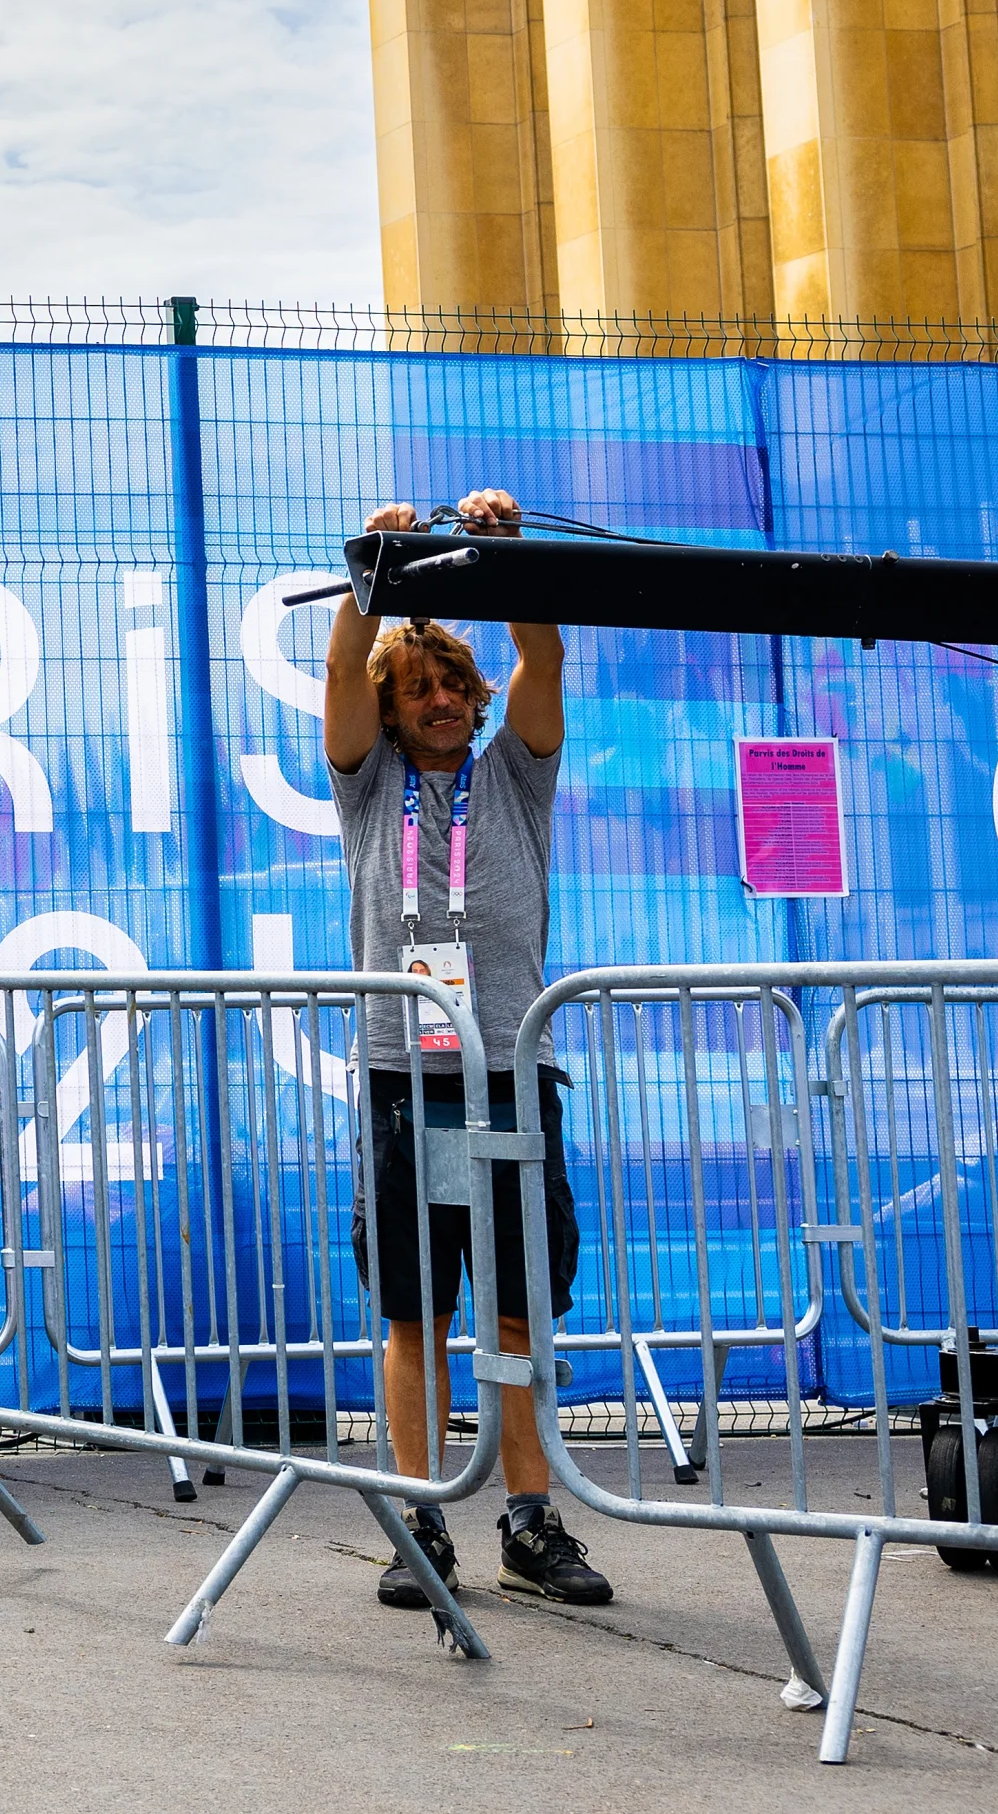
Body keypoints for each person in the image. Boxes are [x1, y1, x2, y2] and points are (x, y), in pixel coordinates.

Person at [324, 487, 612, 1610]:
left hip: (511, 1074)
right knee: (415, 1312)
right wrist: (378, 570)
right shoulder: (368, 790)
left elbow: (542, 665)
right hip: (404, 1083)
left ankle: (532, 1523)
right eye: (421, 689)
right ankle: (419, 1526)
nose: (443, 701)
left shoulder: (516, 780)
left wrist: (511, 559)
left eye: (456, 685)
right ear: (395, 713)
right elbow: (343, 677)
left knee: (514, 1312)